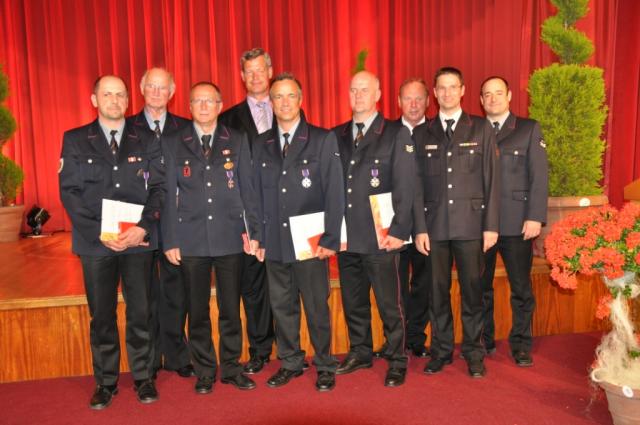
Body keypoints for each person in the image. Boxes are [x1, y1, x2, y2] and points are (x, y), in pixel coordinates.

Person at [59, 75, 163, 408]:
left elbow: (159, 188)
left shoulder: (146, 139)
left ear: (128, 100)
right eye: (107, 94)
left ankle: (144, 377)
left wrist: (143, 228)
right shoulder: (75, 139)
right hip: (95, 244)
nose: (114, 100)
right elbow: (70, 193)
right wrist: (100, 233)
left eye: (120, 94)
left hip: (137, 241)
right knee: (102, 315)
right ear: (94, 100)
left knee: (141, 311)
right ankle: (105, 382)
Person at [161, 82, 262, 394]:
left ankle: (231, 367)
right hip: (191, 239)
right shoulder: (174, 142)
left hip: (230, 236)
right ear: (189, 106)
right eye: (198, 101)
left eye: (210, 101)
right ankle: (205, 370)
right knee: (197, 310)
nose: (204, 106)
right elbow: (167, 195)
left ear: (220, 106)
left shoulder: (238, 139)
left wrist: (254, 232)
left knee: (231, 308)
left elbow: (248, 190)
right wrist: (170, 239)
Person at [253, 73, 344, 391]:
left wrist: (331, 238)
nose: (284, 102)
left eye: (290, 95)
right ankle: (290, 362)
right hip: (275, 242)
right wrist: (258, 236)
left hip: (311, 241)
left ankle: (325, 364)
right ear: (270, 102)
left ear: (301, 99)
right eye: (278, 96)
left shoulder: (321, 139)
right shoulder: (261, 143)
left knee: (316, 306)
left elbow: (335, 192)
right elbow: (255, 195)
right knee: (282, 307)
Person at [413, 67, 500, 379]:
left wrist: (491, 226)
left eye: (453, 87)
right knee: (437, 292)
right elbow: (416, 186)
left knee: (473, 292)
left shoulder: (481, 128)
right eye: (442, 88)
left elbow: (492, 180)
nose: (447, 93)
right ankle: (441, 350)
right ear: (435, 94)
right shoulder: (422, 133)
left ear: (463, 91)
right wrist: (419, 228)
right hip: (434, 227)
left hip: (471, 225)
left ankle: (474, 352)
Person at [333, 71, 415, 387]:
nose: (358, 95)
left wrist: (399, 230)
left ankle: (397, 358)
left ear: (378, 94)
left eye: (365, 90)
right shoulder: (337, 135)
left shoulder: (395, 133)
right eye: (353, 90)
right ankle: (361, 351)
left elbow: (406, 186)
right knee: (354, 302)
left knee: (390, 304)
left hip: (382, 236)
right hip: (347, 237)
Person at [127, 67, 193, 379]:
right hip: (138, 222)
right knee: (143, 295)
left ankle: (178, 356)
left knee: (176, 292)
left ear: (172, 91)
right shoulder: (127, 128)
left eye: (162, 87)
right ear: (141, 88)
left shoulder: (186, 128)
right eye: (151, 86)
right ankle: (150, 359)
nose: (156, 92)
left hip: (176, 223)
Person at [479, 76, 548, 366]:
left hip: (517, 222)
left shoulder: (528, 129)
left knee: (521, 288)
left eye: (498, 93)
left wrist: (535, 216)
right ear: (480, 100)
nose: (493, 98)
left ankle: (520, 344)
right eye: (487, 94)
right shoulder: (474, 129)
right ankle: (484, 340)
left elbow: (539, 175)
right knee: (480, 288)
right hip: (480, 225)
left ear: (509, 96)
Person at [218, 48, 275, 373]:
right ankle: (260, 349)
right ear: (242, 76)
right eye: (249, 72)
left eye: (260, 70)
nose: (255, 77)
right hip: (247, 215)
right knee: (253, 285)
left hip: (283, 212)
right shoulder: (228, 119)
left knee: (284, 281)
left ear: (270, 72)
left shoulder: (290, 108)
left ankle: (290, 346)